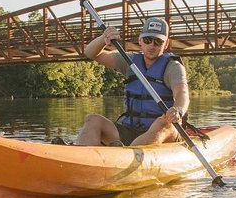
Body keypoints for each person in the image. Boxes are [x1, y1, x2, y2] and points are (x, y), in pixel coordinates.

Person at [73, 17, 189, 147]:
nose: (152, 45)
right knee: (93, 119)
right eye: (147, 40)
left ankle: (124, 156)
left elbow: (182, 93)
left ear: (166, 44)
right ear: (140, 41)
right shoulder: (130, 61)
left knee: (162, 123)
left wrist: (178, 110)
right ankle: (87, 156)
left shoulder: (173, 67)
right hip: (130, 128)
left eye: (158, 41)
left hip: (163, 131)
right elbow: (90, 53)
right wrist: (103, 39)